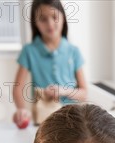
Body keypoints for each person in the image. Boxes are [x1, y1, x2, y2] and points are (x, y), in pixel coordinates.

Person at [13, 0, 87, 128]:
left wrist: (63, 91)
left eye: (54, 17)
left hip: (72, 121)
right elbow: (17, 88)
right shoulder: (29, 51)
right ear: (35, 23)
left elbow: (84, 93)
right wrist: (21, 109)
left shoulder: (73, 52)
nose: (50, 24)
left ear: (63, 17)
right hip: (43, 121)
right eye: (43, 19)